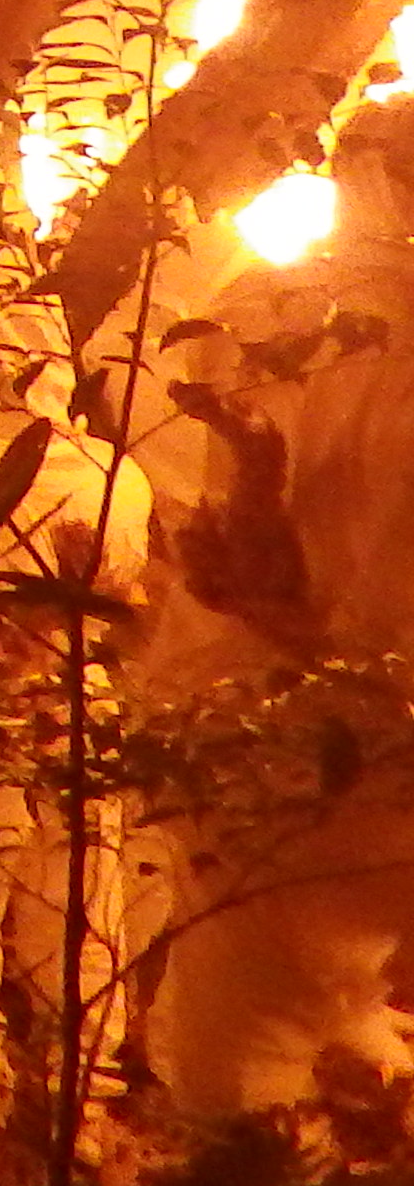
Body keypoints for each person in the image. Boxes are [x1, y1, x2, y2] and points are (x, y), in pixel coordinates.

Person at [133, 91, 414, 1118]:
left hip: (279, 761)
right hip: (311, 752)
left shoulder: (261, 313)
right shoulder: (269, 318)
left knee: (244, 1078)